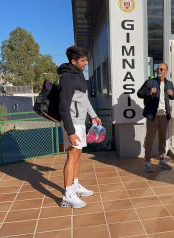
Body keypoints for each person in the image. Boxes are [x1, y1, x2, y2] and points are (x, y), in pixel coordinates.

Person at [57, 46, 102, 209]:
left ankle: (75, 186)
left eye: (86, 60)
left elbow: (85, 100)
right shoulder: (67, 78)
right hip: (72, 123)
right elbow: (63, 107)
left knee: (78, 155)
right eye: (82, 61)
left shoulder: (79, 75)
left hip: (80, 122)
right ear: (73, 61)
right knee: (72, 156)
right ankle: (68, 195)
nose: (86, 63)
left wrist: (94, 115)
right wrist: (70, 132)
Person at [137, 63, 174, 172]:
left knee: (162, 139)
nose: (158, 70)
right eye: (157, 69)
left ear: (166, 72)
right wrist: (150, 92)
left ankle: (162, 160)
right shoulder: (150, 82)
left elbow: (173, 96)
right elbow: (139, 93)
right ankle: (148, 161)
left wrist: (172, 93)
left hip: (164, 115)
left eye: (161, 69)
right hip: (153, 116)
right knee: (150, 139)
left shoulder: (169, 84)